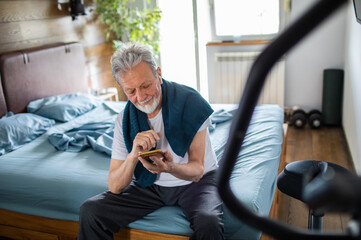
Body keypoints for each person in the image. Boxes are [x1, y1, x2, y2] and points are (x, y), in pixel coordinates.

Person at [78, 42, 224, 240]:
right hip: (150, 185)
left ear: (158, 73)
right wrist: (132, 156)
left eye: (146, 86)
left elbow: (197, 170)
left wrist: (170, 168)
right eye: (131, 91)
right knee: (91, 211)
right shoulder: (125, 119)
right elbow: (115, 186)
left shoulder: (191, 102)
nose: (141, 97)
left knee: (209, 222)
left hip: (197, 182)